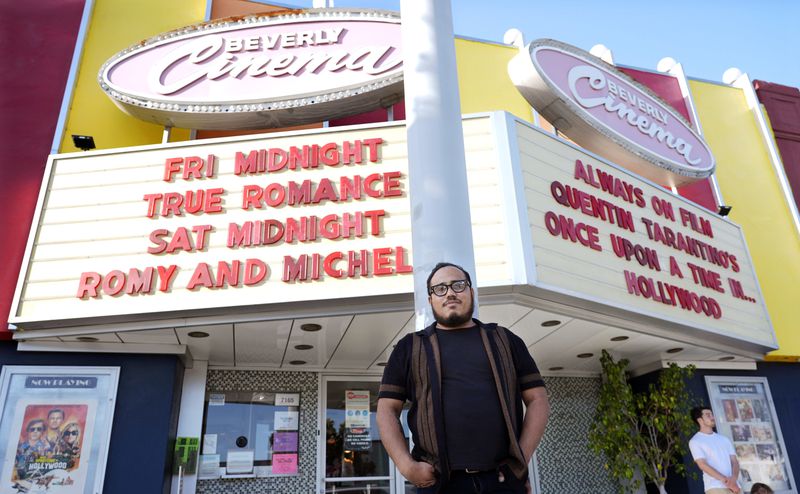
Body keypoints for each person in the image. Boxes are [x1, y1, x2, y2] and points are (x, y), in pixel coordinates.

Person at [377, 262, 550, 493]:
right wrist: (406, 465)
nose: (449, 293)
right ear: (430, 300)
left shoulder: (506, 341)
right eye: (440, 288)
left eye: (458, 285)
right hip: (439, 483)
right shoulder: (409, 347)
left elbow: (538, 399)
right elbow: (386, 409)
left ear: (471, 292)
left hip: (502, 481)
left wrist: (520, 461)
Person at [689, 406, 741, 494]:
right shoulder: (695, 441)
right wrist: (727, 482)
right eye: (708, 415)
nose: (712, 417)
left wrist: (734, 479)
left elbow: (734, 461)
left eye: (712, 414)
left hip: (735, 486)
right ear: (700, 420)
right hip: (715, 487)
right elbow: (702, 464)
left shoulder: (724, 439)